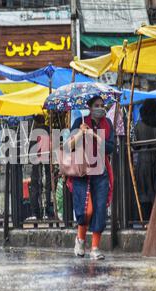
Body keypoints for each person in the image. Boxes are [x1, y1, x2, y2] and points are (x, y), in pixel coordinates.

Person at [67, 96, 114, 260]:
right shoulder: (80, 122)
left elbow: (111, 147)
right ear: (89, 107)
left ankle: (95, 248)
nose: (100, 108)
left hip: (101, 172)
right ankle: (80, 239)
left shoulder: (107, 124)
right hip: (82, 173)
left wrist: (94, 136)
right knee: (86, 210)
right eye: (97, 105)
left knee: (100, 209)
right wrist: (81, 132)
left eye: (102, 105)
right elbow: (69, 147)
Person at [134, 99, 156, 222]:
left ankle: (146, 220)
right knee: (155, 190)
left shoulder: (139, 125)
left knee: (144, 191)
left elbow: (135, 146)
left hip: (143, 161)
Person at [27, 114, 52, 221]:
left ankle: (35, 213)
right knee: (48, 187)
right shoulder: (49, 130)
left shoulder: (35, 132)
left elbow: (30, 151)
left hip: (37, 163)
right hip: (48, 163)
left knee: (35, 187)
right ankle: (47, 211)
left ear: (36, 122)